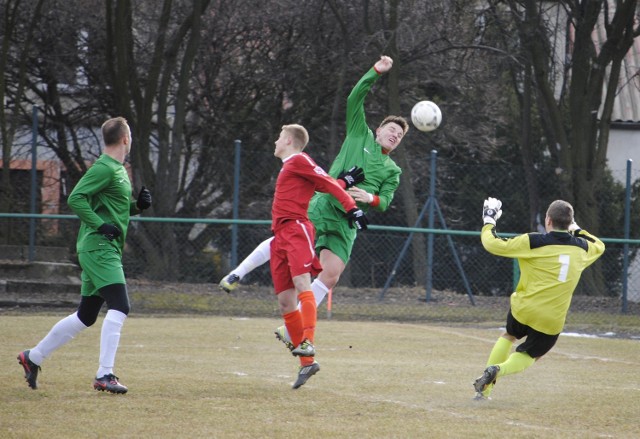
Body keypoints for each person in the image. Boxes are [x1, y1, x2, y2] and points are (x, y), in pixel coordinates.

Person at [219, 55, 409, 346]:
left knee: (331, 276)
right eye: (391, 129)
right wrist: (375, 71)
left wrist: (369, 197)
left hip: (348, 221)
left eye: (400, 134)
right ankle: (238, 272)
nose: (395, 134)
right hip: (324, 205)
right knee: (286, 239)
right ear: (379, 129)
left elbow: (384, 202)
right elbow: (354, 97)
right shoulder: (360, 134)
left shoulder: (392, 170)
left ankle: (292, 326)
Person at [17, 117, 152, 394]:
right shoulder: (104, 167)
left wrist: (137, 206)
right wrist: (99, 226)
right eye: (132, 135)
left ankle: (33, 357)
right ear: (125, 139)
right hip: (99, 246)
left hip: (103, 246)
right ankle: (105, 374)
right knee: (120, 306)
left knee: (86, 315)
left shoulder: (117, 169)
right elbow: (75, 198)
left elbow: (113, 209)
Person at [473, 197, 605, 400]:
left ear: (548, 220)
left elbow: (491, 244)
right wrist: (576, 228)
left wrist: (489, 219)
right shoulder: (584, 249)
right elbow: (599, 244)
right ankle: (498, 370)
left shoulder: (532, 241)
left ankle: (485, 391)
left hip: (524, 308)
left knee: (509, 335)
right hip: (551, 317)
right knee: (531, 355)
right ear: (569, 223)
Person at [268, 124, 367, 389]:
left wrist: (352, 207)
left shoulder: (299, 159)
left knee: (303, 284)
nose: (275, 141)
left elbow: (324, 182)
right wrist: (344, 183)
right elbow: (323, 185)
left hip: (296, 229)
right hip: (280, 235)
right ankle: (308, 362)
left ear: (289, 140)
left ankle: (308, 340)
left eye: (279, 137)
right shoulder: (291, 166)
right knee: (285, 303)